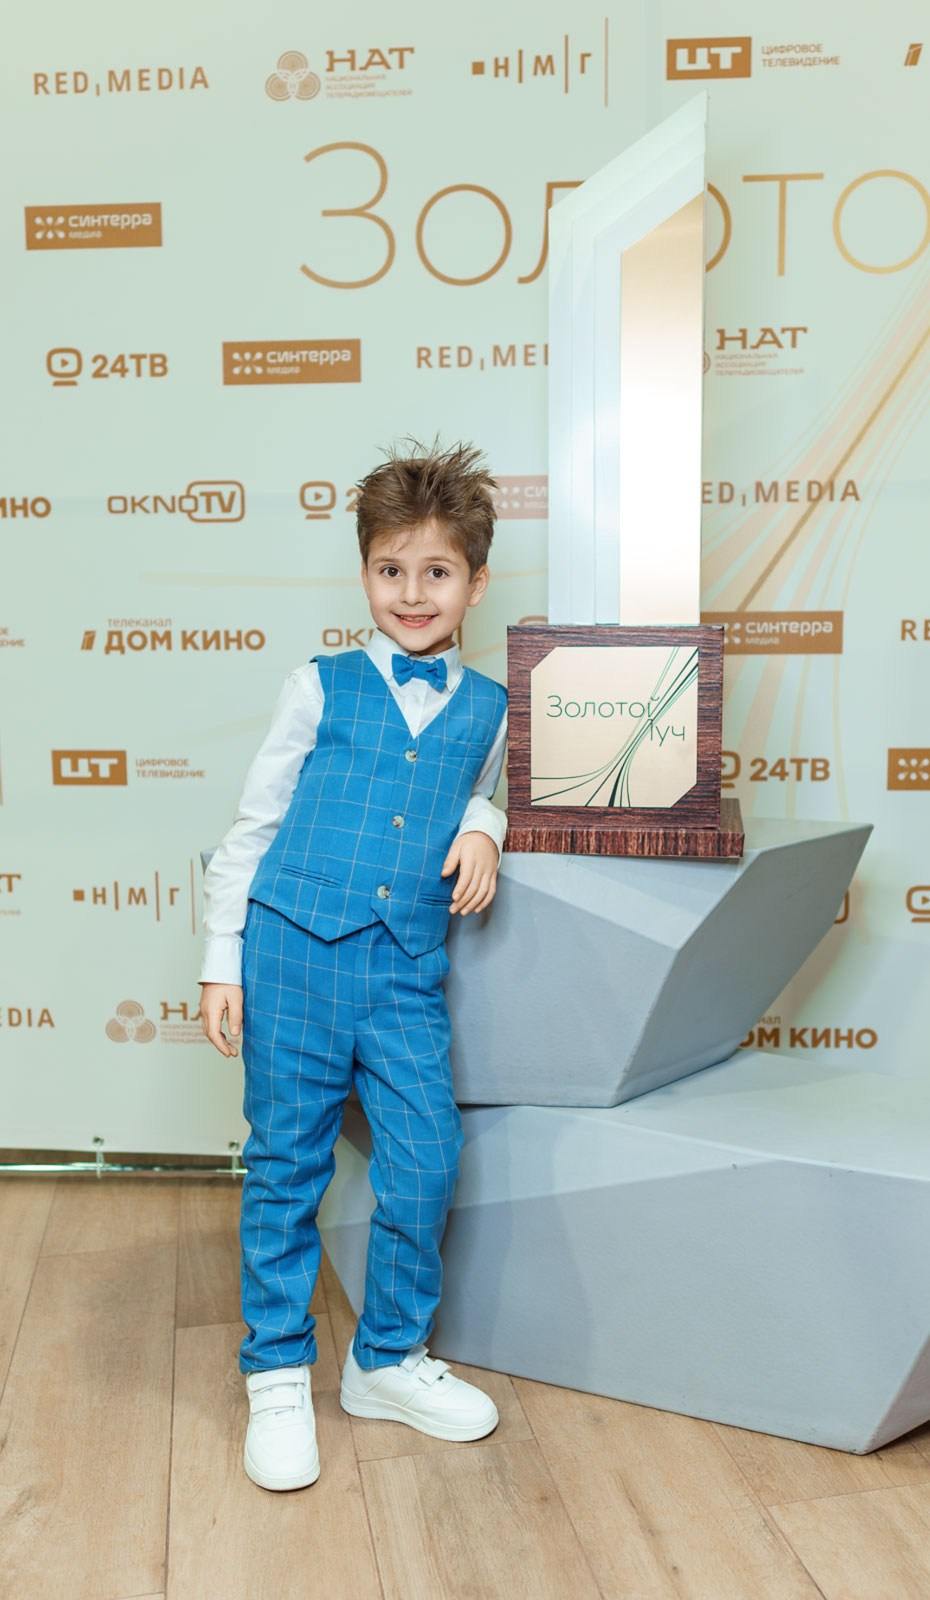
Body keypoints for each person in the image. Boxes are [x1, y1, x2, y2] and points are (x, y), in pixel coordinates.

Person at [197, 438, 508, 1492]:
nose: (412, 593)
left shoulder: (490, 706)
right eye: (390, 569)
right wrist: (221, 960)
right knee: (287, 1165)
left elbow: (483, 790)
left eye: (437, 571)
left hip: (404, 969)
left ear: (475, 582)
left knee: (425, 1158)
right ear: (364, 573)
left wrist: (485, 825)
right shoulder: (318, 685)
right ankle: (278, 1371)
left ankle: (385, 1360)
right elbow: (253, 827)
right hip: (291, 955)